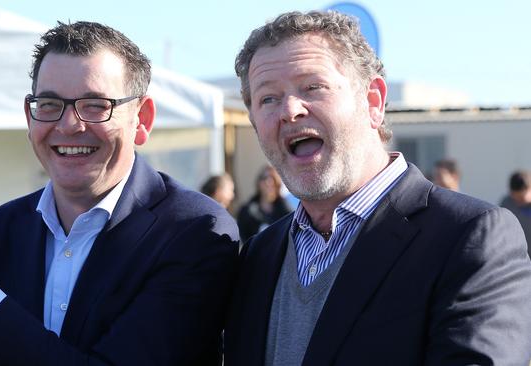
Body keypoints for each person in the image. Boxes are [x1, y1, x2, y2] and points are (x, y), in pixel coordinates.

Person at [0, 21, 239, 365]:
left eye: (96, 105)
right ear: (29, 117)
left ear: (141, 120)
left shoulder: (194, 232)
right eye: (50, 105)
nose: (69, 125)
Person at [224, 10, 531, 365]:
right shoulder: (259, 256)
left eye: (313, 87)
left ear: (373, 101)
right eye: (268, 99)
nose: (290, 110)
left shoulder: (470, 238)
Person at [237, 165, 292, 241]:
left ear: (278, 184)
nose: (268, 182)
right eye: (264, 178)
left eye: (272, 178)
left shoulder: (287, 213)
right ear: (258, 183)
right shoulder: (246, 211)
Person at [501, 170, 531, 248]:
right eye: (514, 197)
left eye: (521, 198)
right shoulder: (506, 204)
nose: (518, 201)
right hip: (517, 253)